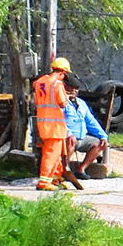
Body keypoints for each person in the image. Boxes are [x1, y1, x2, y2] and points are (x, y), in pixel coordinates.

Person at [31, 55, 73, 190]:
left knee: (56, 154)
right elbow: (62, 103)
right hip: (54, 125)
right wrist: (67, 96)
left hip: (43, 123)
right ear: (62, 72)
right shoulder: (57, 84)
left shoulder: (39, 82)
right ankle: (44, 182)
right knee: (50, 154)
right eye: (64, 75)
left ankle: (55, 179)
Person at [63, 81, 110, 186]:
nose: (73, 91)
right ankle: (65, 169)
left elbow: (91, 121)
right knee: (71, 141)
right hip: (67, 137)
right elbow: (59, 121)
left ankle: (81, 169)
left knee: (99, 143)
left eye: (75, 88)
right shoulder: (62, 103)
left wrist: (103, 136)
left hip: (82, 137)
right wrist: (68, 133)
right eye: (70, 88)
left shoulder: (81, 103)